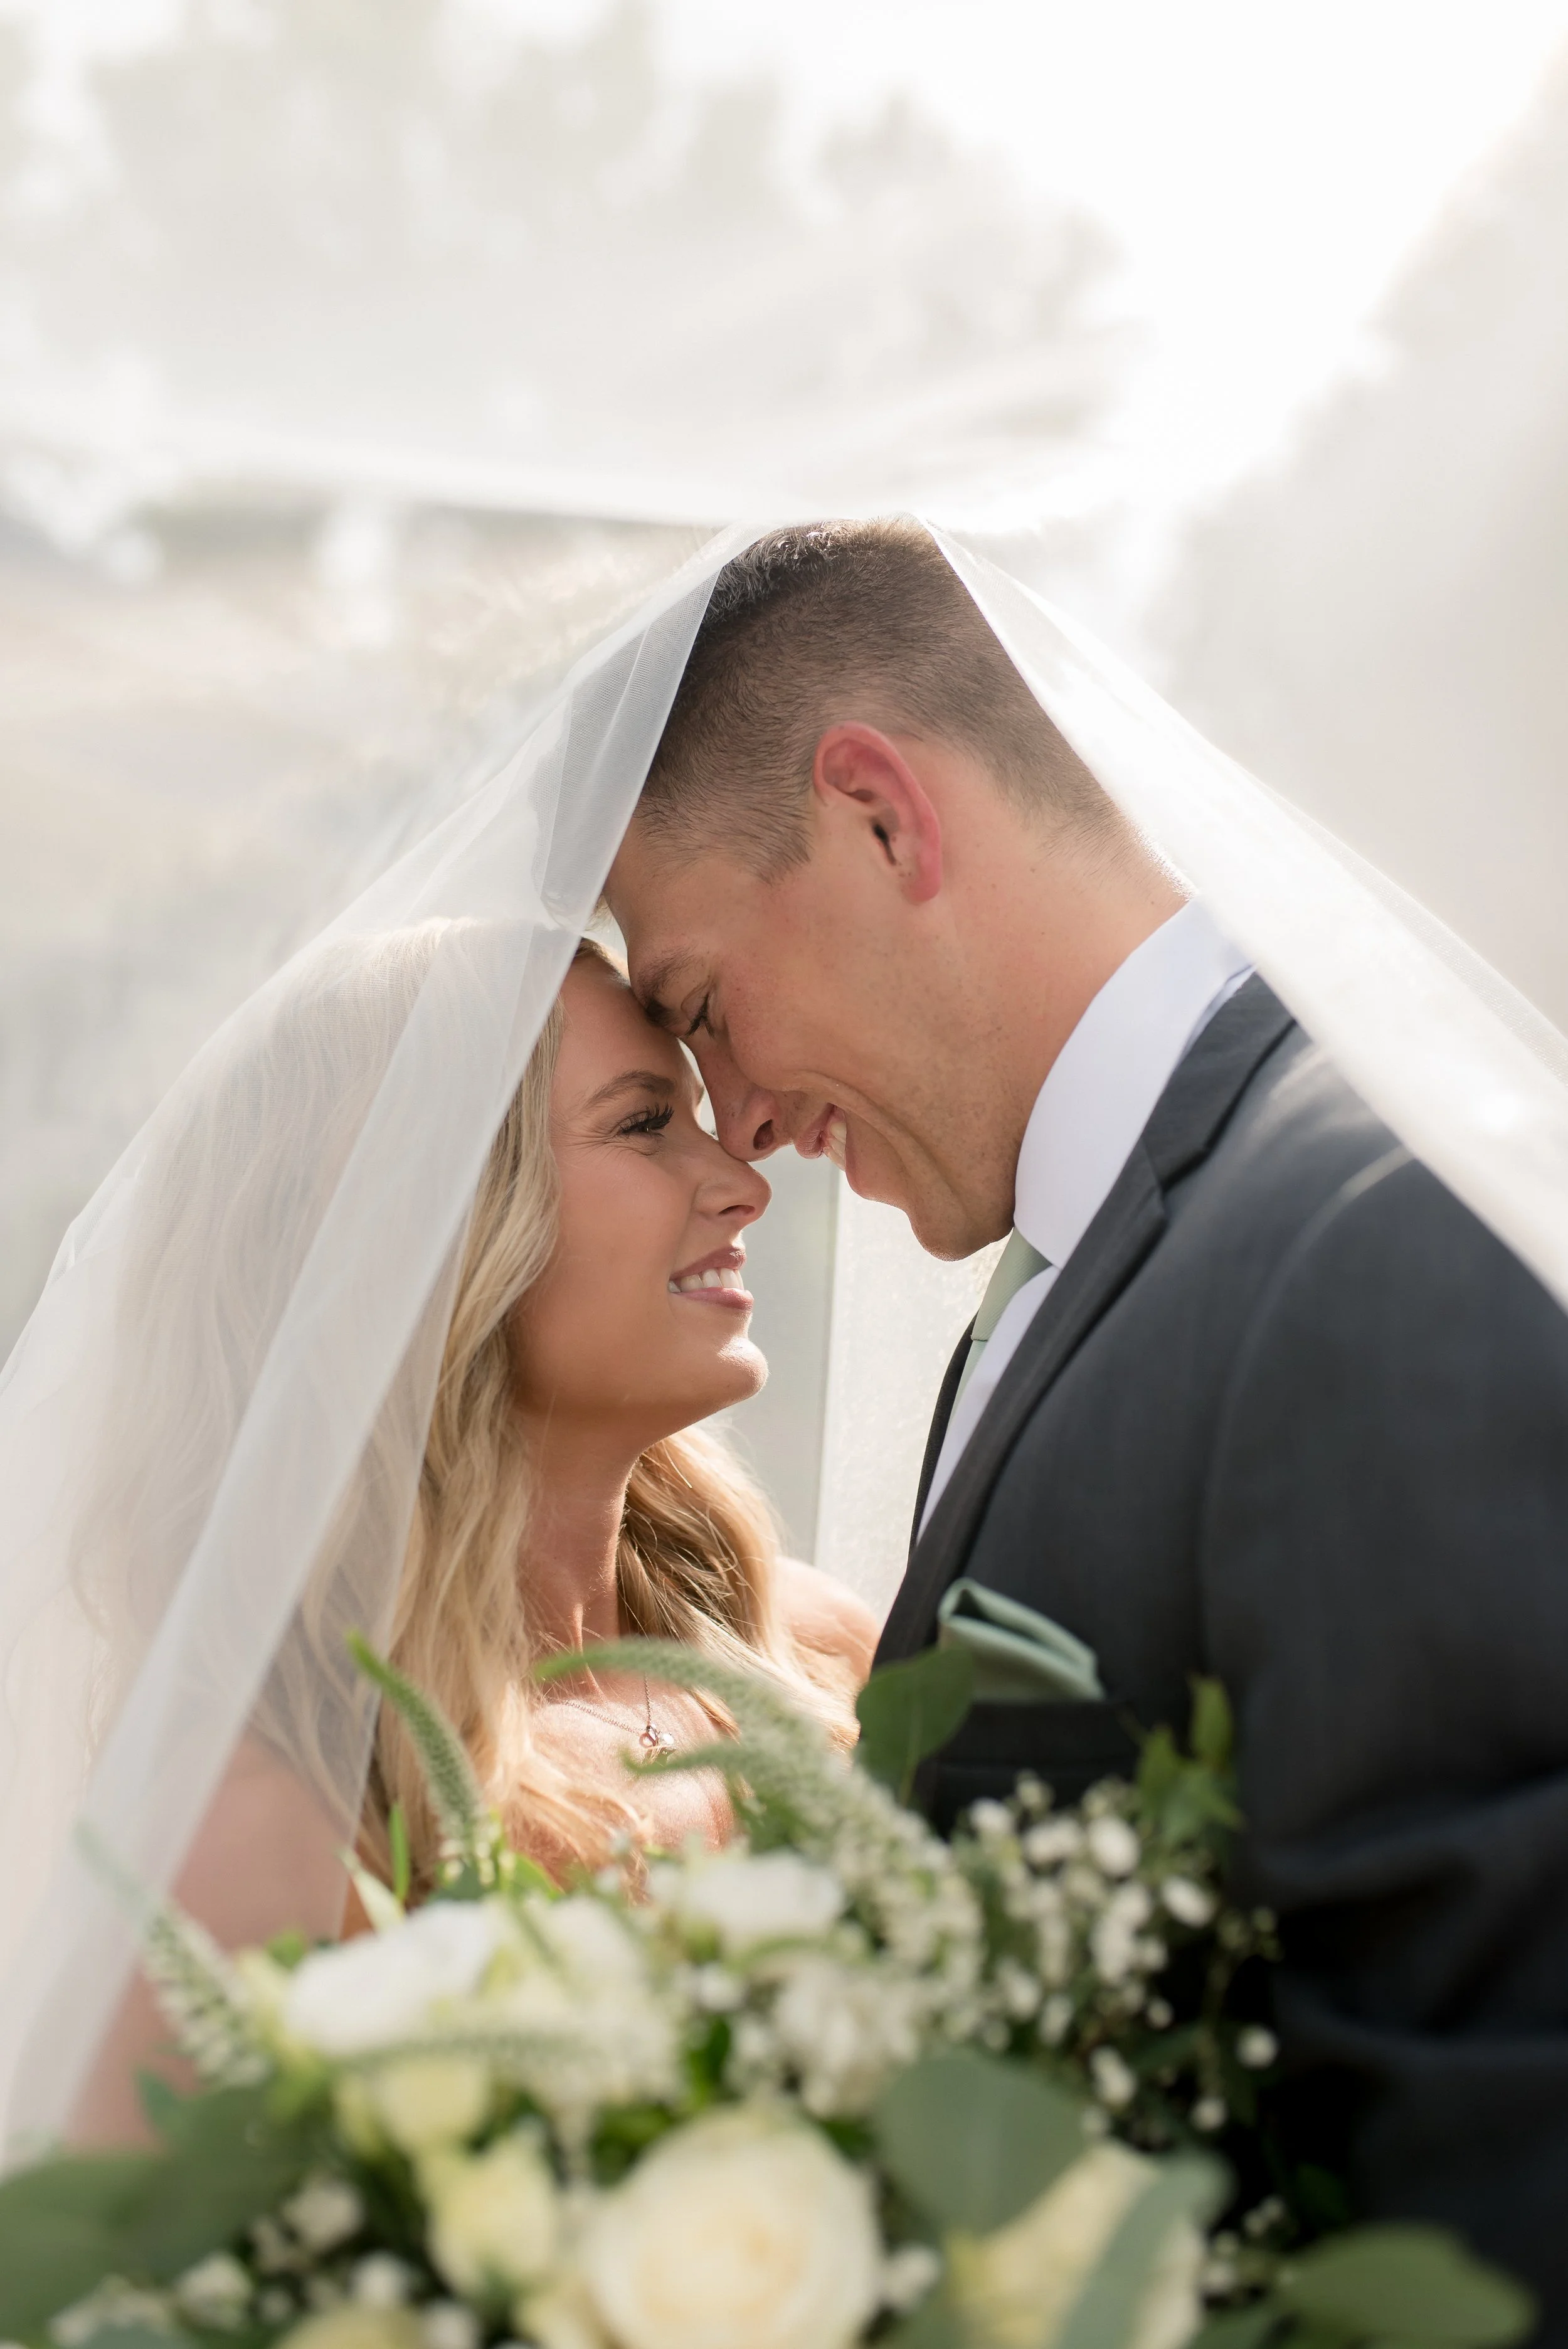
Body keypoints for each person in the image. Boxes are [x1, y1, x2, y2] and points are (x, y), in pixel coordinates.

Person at [605, 519, 1568, 2326]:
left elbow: (1496, 2152)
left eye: (701, 1008)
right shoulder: (1060, 1293)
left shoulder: (1377, 1239)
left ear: (880, 815)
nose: (732, 1124)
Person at [70, 929, 874, 2141]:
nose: (741, 1180)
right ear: (423, 1233)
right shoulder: (280, 1823)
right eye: (646, 1122)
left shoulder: (824, 1662)